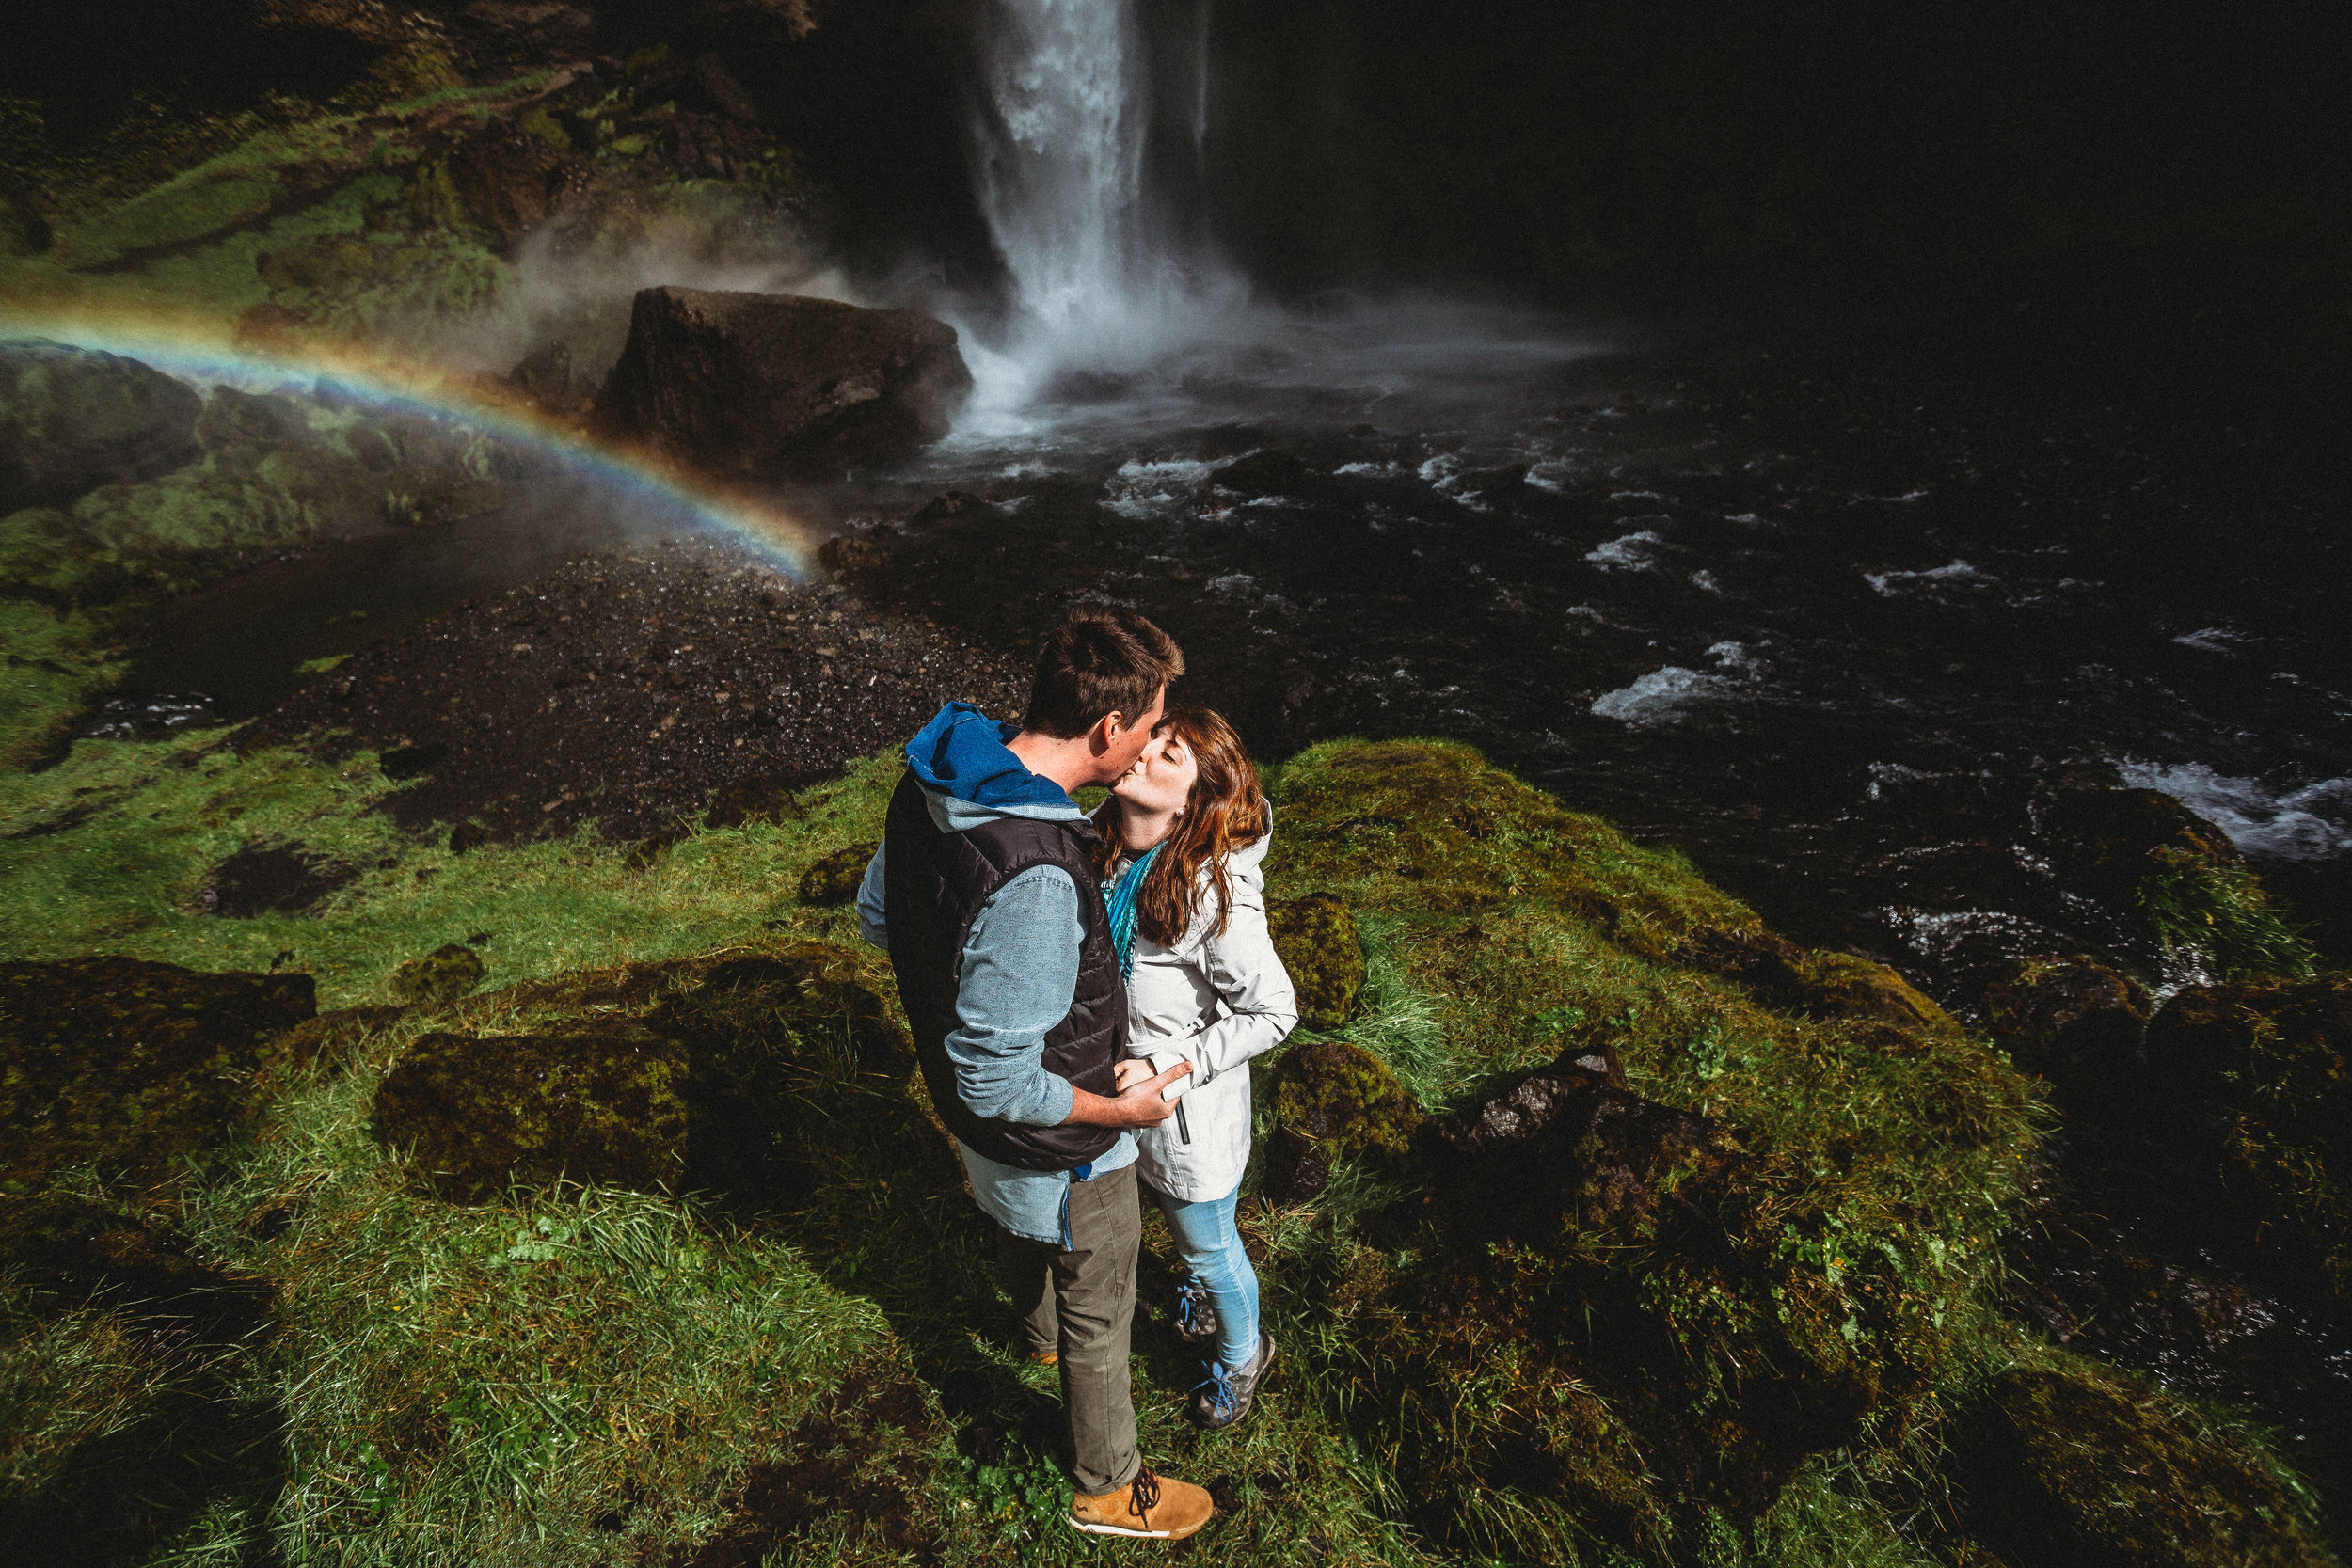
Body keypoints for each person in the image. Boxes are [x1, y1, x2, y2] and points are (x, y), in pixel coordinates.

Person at [853, 606, 1216, 1543]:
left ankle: (1032, 1333)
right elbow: (1002, 1081)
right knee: (1102, 1307)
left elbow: (880, 913)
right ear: (1106, 729)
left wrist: (953, 990)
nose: (1150, 740)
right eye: (1148, 722)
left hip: (971, 1122)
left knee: (1017, 1224)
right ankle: (1108, 1487)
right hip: (1060, 1138)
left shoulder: (940, 778)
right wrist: (1119, 1105)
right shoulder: (1037, 875)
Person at [1096, 706, 1297, 1430]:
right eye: (1151, 739)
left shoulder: (1217, 896)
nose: (1143, 753)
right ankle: (1200, 1293)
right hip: (1126, 1104)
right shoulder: (1106, 850)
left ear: (1193, 805)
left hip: (1188, 1125)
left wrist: (1171, 1064)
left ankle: (1245, 1354)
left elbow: (1275, 1010)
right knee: (1174, 1233)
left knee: (1210, 1245)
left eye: (1169, 756)